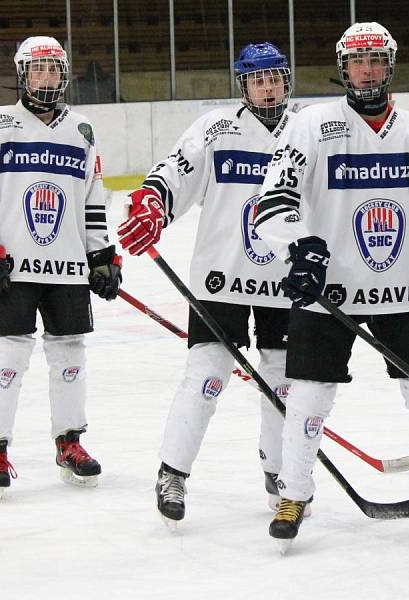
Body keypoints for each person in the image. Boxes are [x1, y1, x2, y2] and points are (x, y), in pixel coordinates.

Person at [254, 22, 409, 552]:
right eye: (358, 61)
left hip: (402, 291)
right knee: (308, 394)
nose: (368, 70)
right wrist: (301, 246)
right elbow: (271, 203)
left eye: (377, 60)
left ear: (390, 65)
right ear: (343, 67)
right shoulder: (312, 124)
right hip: (327, 293)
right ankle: (294, 492)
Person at [116, 42, 295, 527]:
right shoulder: (217, 128)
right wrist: (153, 203)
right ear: (243, 84)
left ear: (286, 79)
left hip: (287, 280)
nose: (267, 87)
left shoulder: (306, 131)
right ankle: (172, 471)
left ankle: (279, 474)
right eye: (257, 80)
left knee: (281, 380)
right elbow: (175, 173)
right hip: (223, 278)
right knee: (207, 376)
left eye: (275, 77)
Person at [0, 36, 121, 497]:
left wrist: (101, 255)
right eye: (38, 69)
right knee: (9, 356)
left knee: (70, 355)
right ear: (22, 74)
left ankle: (69, 441)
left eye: (54, 70)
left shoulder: (82, 130)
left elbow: (92, 200)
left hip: (67, 268)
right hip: (11, 268)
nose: (46, 78)